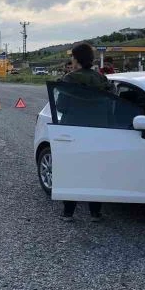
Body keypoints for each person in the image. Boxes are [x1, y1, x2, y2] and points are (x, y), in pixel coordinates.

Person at [59, 42, 111, 222]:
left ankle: (68, 212)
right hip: (98, 132)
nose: (71, 61)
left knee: (72, 171)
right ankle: (95, 213)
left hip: (74, 131)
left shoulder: (69, 79)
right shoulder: (102, 79)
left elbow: (61, 106)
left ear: (77, 59)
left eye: (72, 57)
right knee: (95, 171)